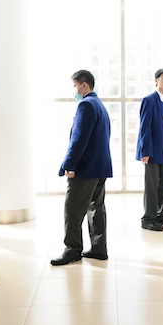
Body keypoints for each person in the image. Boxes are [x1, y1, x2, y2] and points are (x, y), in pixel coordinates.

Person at [51, 70, 112, 265]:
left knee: (72, 209)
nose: (74, 90)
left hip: (86, 168)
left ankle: (72, 250)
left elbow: (79, 139)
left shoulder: (86, 105)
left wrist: (69, 164)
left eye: (74, 86)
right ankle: (98, 248)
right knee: (96, 208)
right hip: (100, 167)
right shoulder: (99, 105)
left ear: (84, 85)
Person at [136, 68, 163, 231]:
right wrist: (145, 152)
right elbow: (144, 128)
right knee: (152, 187)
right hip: (152, 152)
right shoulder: (149, 100)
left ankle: (160, 216)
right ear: (156, 81)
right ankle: (148, 218)